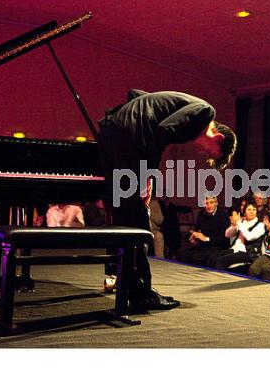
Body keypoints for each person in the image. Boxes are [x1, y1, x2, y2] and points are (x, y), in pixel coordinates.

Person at [98, 90, 236, 311]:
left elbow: (135, 93)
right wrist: (148, 173)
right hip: (131, 141)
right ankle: (142, 293)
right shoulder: (205, 111)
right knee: (139, 224)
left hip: (109, 132)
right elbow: (164, 130)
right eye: (210, 153)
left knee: (124, 216)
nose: (203, 154)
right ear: (218, 138)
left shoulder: (182, 105)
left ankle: (126, 285)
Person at [176, 196, 229, 266]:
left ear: (216, 203)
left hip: (217, 247)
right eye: (206, 203)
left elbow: (223, 239)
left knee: (208, 258)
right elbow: (198, 232)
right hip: (203, 247)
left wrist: (206, 238)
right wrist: (194, 239)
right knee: (181, 255)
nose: (209, 206)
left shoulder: (223, 216)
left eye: (211, 203)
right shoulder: (201, 214)